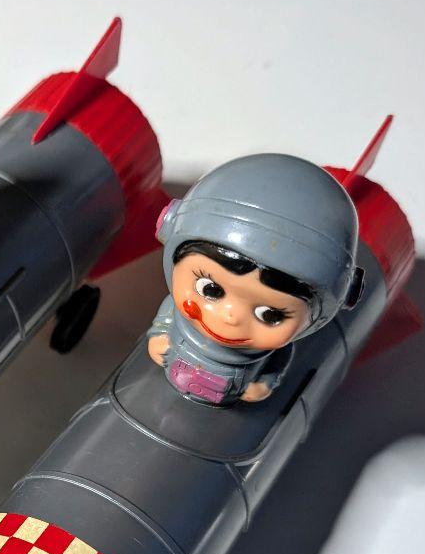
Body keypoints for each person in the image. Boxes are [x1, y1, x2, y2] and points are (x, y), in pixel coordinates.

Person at [148, 153, 363, 405]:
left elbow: (277, 362)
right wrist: (160, 335)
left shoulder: (271, 350)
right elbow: (167, 316)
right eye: (211, 290)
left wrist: (264, 383)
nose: (231, 316)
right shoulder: (182, 316)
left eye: (270, 315)